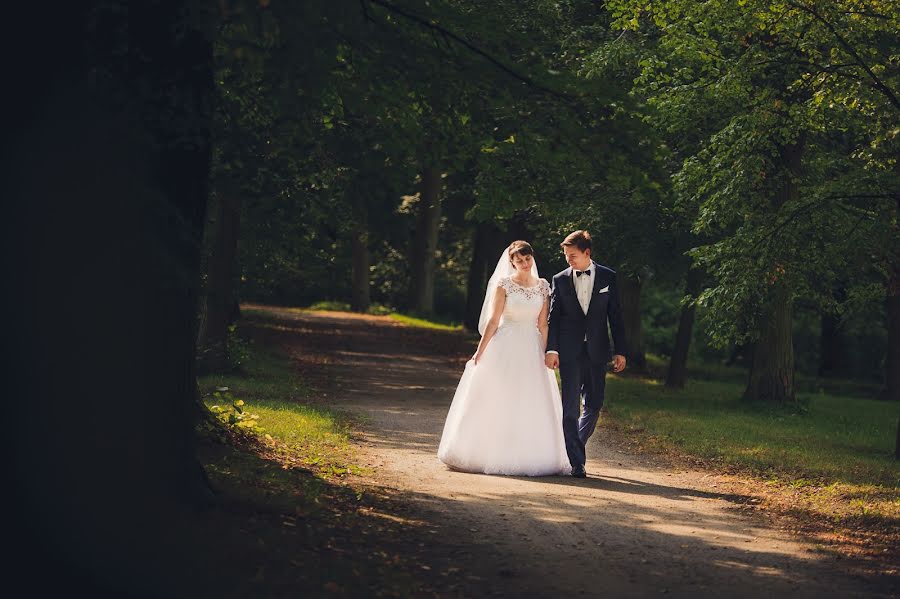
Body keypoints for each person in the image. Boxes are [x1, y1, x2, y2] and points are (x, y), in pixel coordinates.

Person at [437, 241, 570, 476]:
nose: (524, 264)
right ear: (512, 263)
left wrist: (549, 352)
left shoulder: (543, 287)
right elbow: (493, 321)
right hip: (505, 344)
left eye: (527, 259)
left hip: (531, 346)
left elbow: (543, 324)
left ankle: (531, 453)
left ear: (532, 258)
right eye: (519, 261)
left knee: (530, 398)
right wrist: (481, 350)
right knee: (498, 395)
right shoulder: (504, 285)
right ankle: (483, 451)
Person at [545, 230, 628, 478]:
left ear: (587, 253)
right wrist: (552, 348)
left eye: (573, 256)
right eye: (566, 256)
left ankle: (574, 445)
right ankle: (576, 462)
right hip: (570, 352)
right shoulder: (559, 279)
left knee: (594, 404)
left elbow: (616, 316)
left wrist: (620, 351)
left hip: (597, 351)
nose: (568, 260)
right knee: (570, 408)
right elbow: (554, 318)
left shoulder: (607, 277)